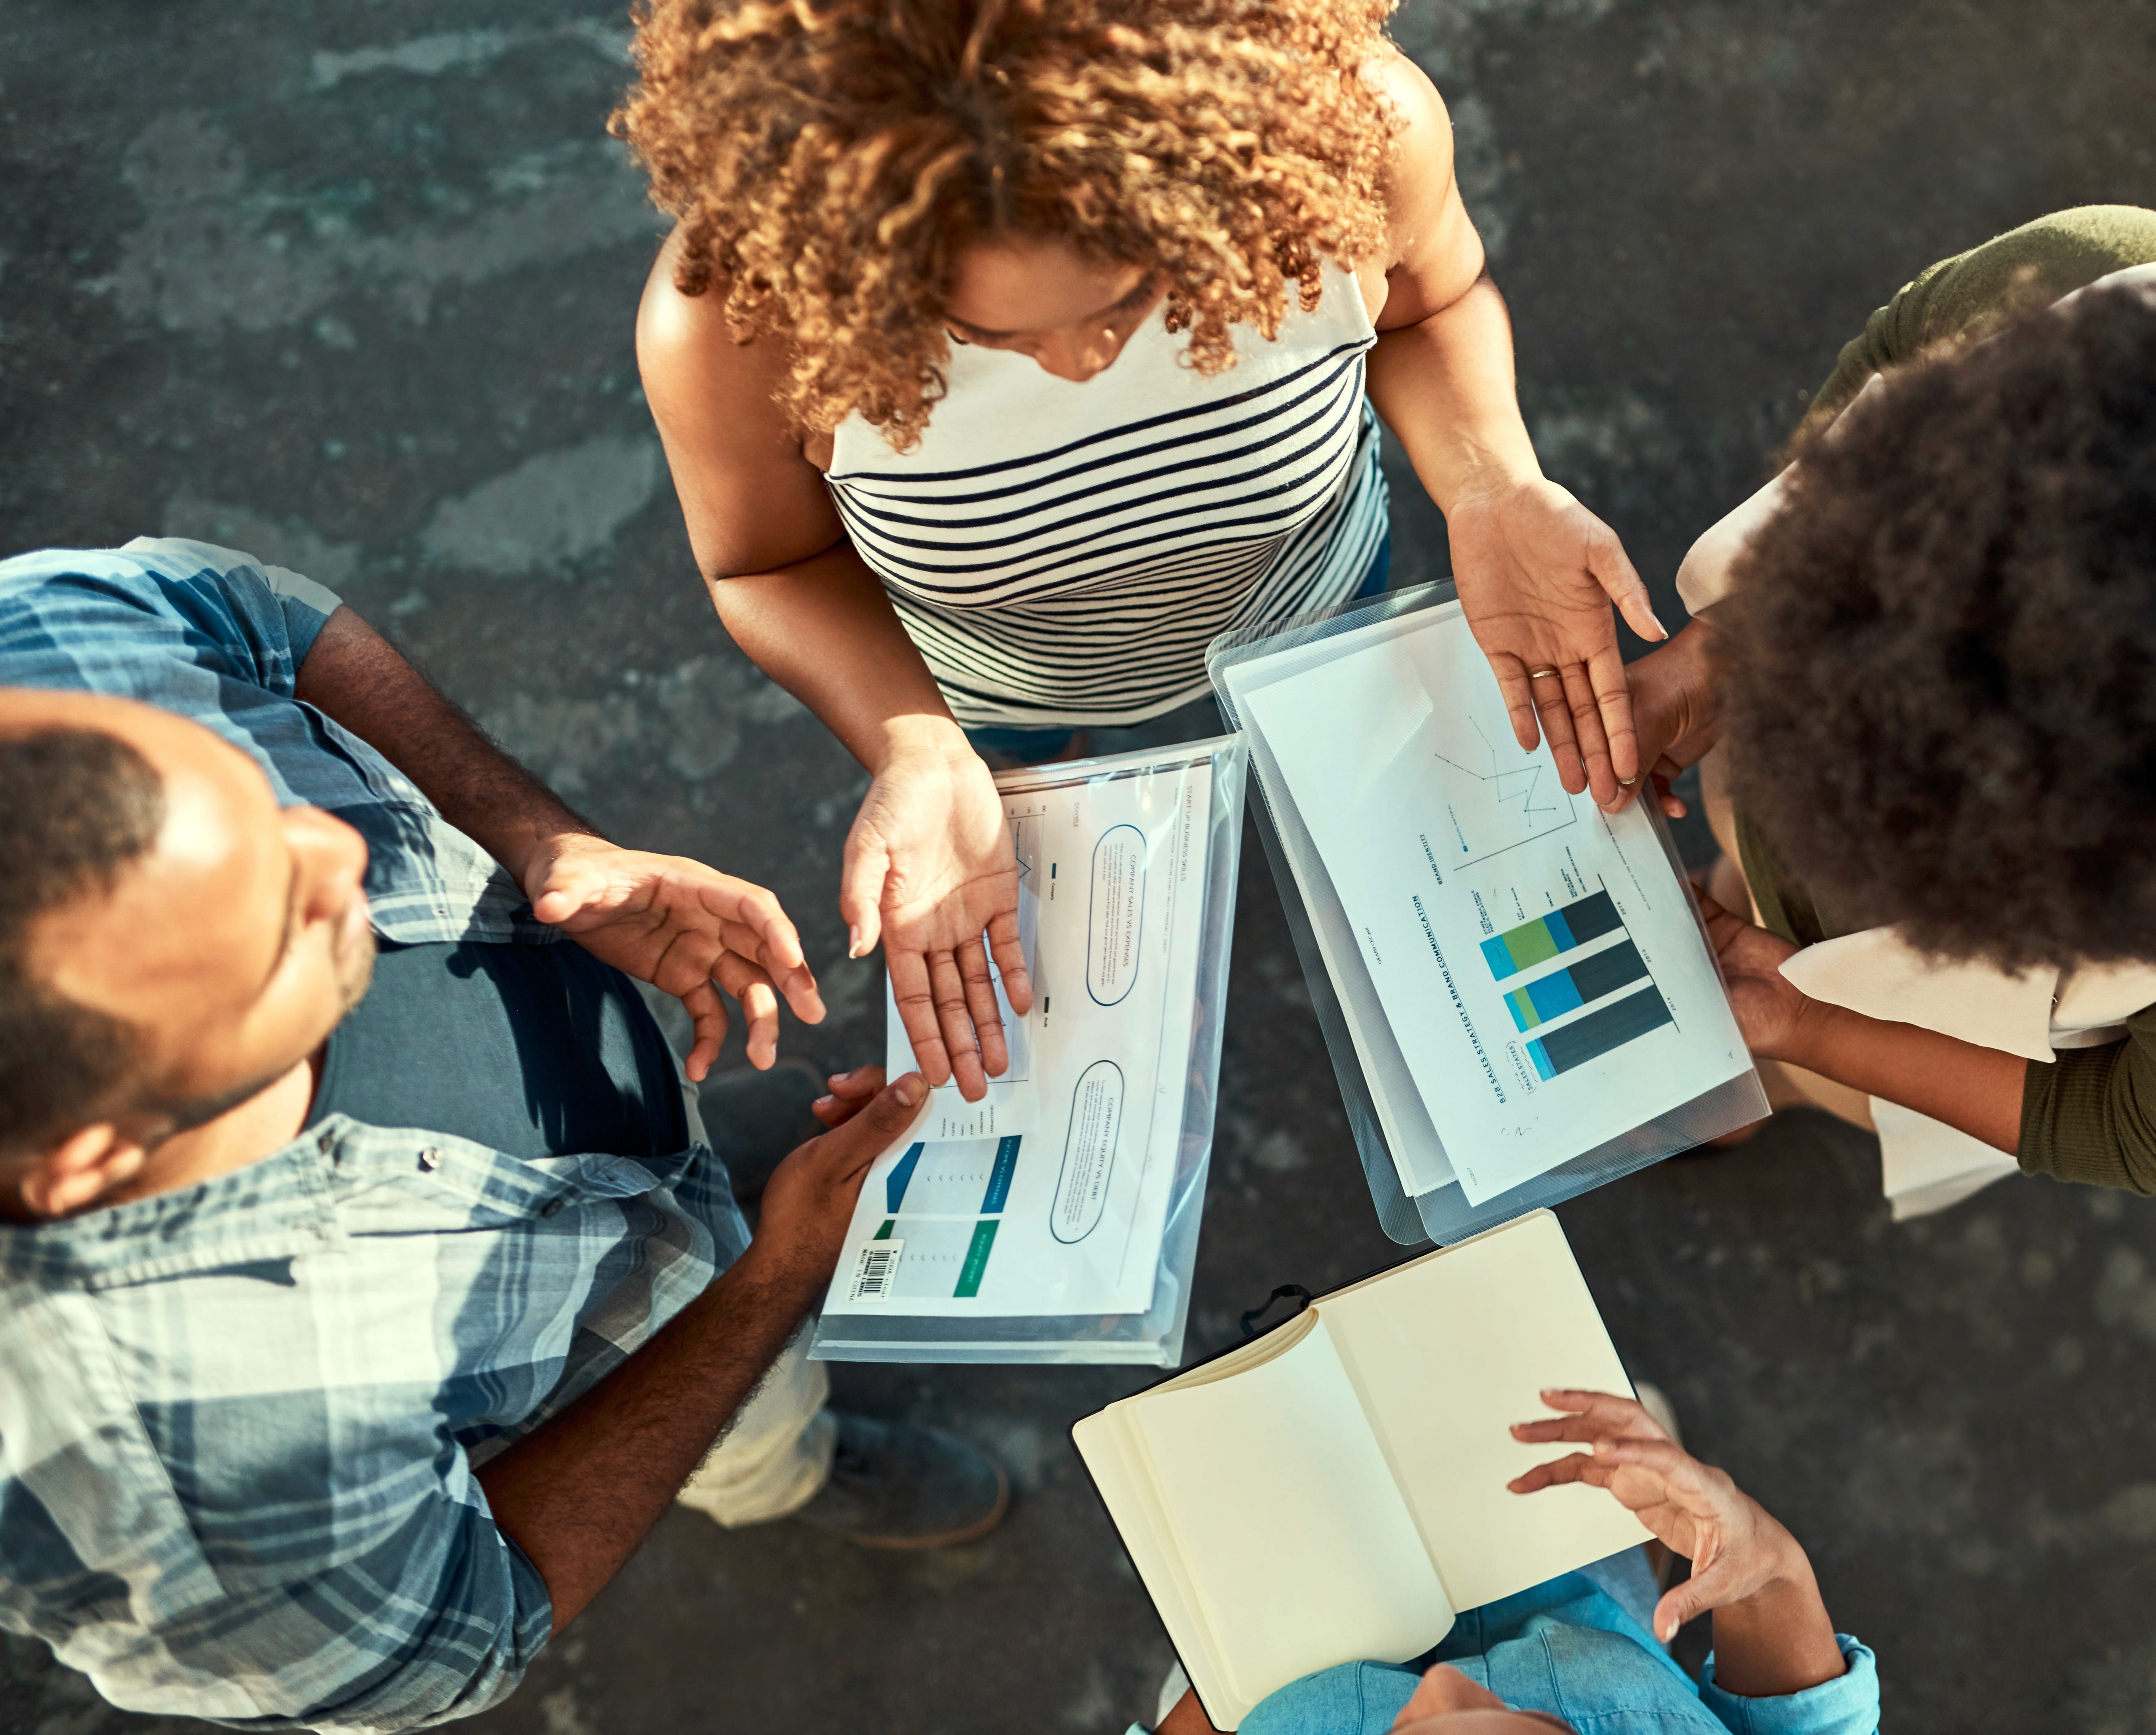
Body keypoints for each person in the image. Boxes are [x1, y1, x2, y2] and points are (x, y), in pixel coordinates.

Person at [0, 539, 1008, 1732]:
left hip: (625, 1111)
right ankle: (779, 1469)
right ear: (86, 1159)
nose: (344, 847)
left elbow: (244, 612)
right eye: (279, 921)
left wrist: (535, 838)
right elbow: (469, 1621)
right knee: (750, 1413)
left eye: (258, 791)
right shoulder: (181, 1493)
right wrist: (773, 1278)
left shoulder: (41, 651)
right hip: (611, 1341)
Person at [615, 0, 1665, 1101]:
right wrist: (922, 752)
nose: (1076, 363)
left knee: (1373, 824)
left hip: (1306, 595)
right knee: (1039, 902)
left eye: (1132, 295)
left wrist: (1492, 486)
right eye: (989, 335)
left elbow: (1428, 303)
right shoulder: (739, 317)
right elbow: (766, 565)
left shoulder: (1353, 137)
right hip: (984, 689)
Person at [1614, 205, 2156, 1204]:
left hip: (1935, 1017)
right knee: (1734, 884)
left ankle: (1767, 1082)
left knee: (1807, 1059)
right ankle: (1738, 921)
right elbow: (1898, 346)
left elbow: (2131, 1127)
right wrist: (1733, 642)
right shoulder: (2099, 288)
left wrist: (1814, 1033)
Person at [1141, 1391, 1877, 1735]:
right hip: (1575, 1590)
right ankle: (1650, 1570)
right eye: (1512, 1720)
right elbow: (1810, 1727)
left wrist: (1237, 1647)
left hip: (1279, 1639)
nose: (1438, 1683)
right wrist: (1753, 1562)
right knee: (1617, 1553)